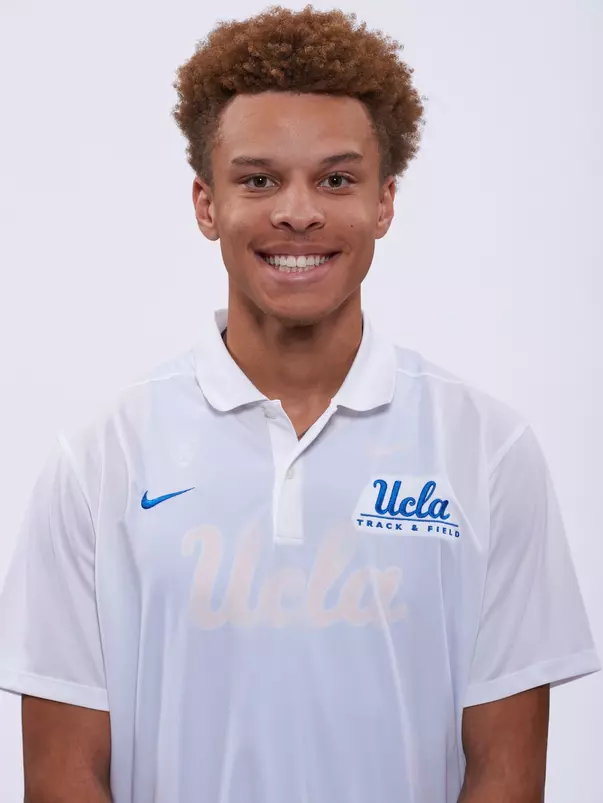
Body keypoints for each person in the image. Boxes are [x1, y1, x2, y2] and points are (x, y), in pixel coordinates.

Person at [0, 5, 599, 803]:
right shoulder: (101, 458)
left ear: (384, 202)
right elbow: (65, 775)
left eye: (335, 179)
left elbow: (505, 772)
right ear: (206, 204)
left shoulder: (486, 448)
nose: (297, 211)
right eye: (258, 179)